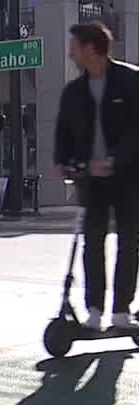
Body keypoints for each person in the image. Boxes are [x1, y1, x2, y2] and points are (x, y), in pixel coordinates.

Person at [54, 21, 139, 330]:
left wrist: (116, 159)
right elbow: (63, 132)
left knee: (129, 241)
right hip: (92, 179)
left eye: (74, 46)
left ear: (91, 48)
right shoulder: (74, 92)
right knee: (92, 242)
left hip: (128, 177)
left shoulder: (131, 81)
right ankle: (94, 309)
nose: (70, 53)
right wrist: (64, 162)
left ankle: (121, 310)